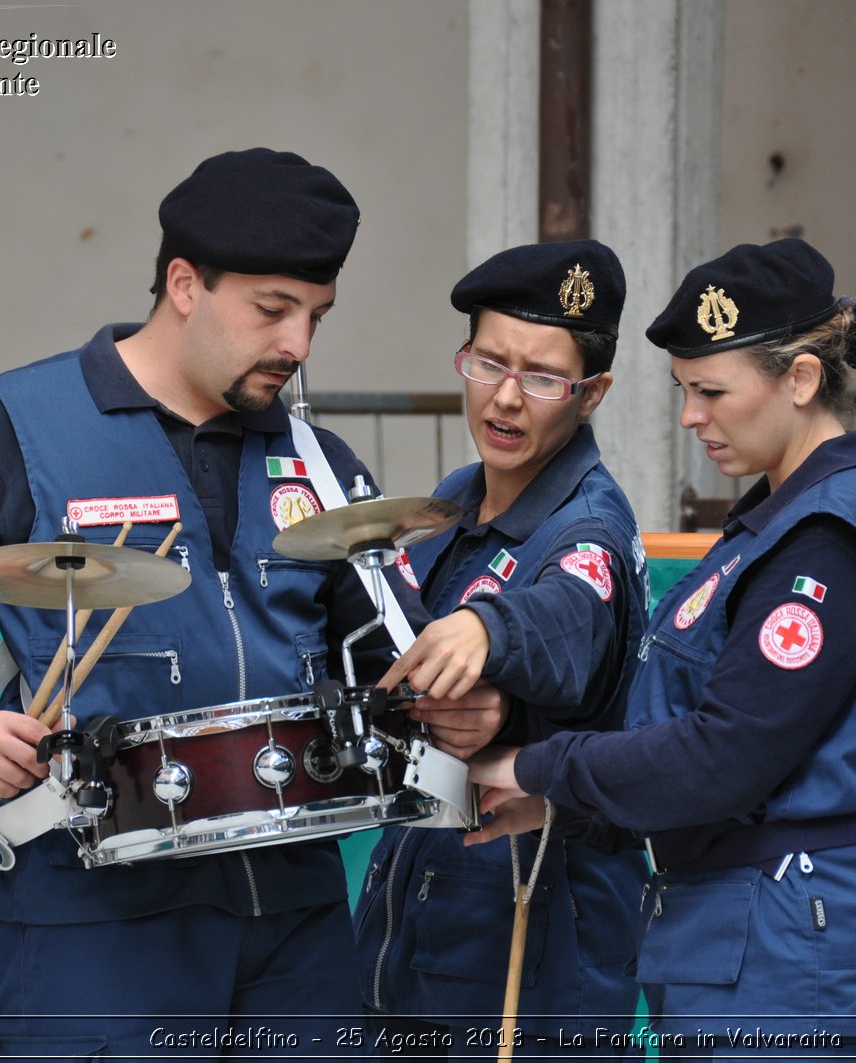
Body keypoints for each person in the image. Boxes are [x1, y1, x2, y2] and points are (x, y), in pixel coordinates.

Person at [0, 148, 426, 1060]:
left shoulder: (318, 460)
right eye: (272, 310)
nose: (298, 346)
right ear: (184, 283)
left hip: (298, 912)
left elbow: (385, 652)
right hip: (92, 916)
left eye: (316, 316)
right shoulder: (13, 424)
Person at [465, 239, 856, 1060]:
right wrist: (570, 803)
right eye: (684, 391)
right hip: (766, 914)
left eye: (712, 391)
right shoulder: (792, 513)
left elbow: (727, 754)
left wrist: (538, 767)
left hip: (794, 924)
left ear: (800, 380)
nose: (692, 416)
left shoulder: (823, 539)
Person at [353, 241, 650, 1055]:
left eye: (544, 377)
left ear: (592, 393)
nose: (507, 399)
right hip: (413, 921)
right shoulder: (455, 497)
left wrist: (491, 630)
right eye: (488, 362)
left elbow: (569, 626)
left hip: (534, 937)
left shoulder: (591, 528)